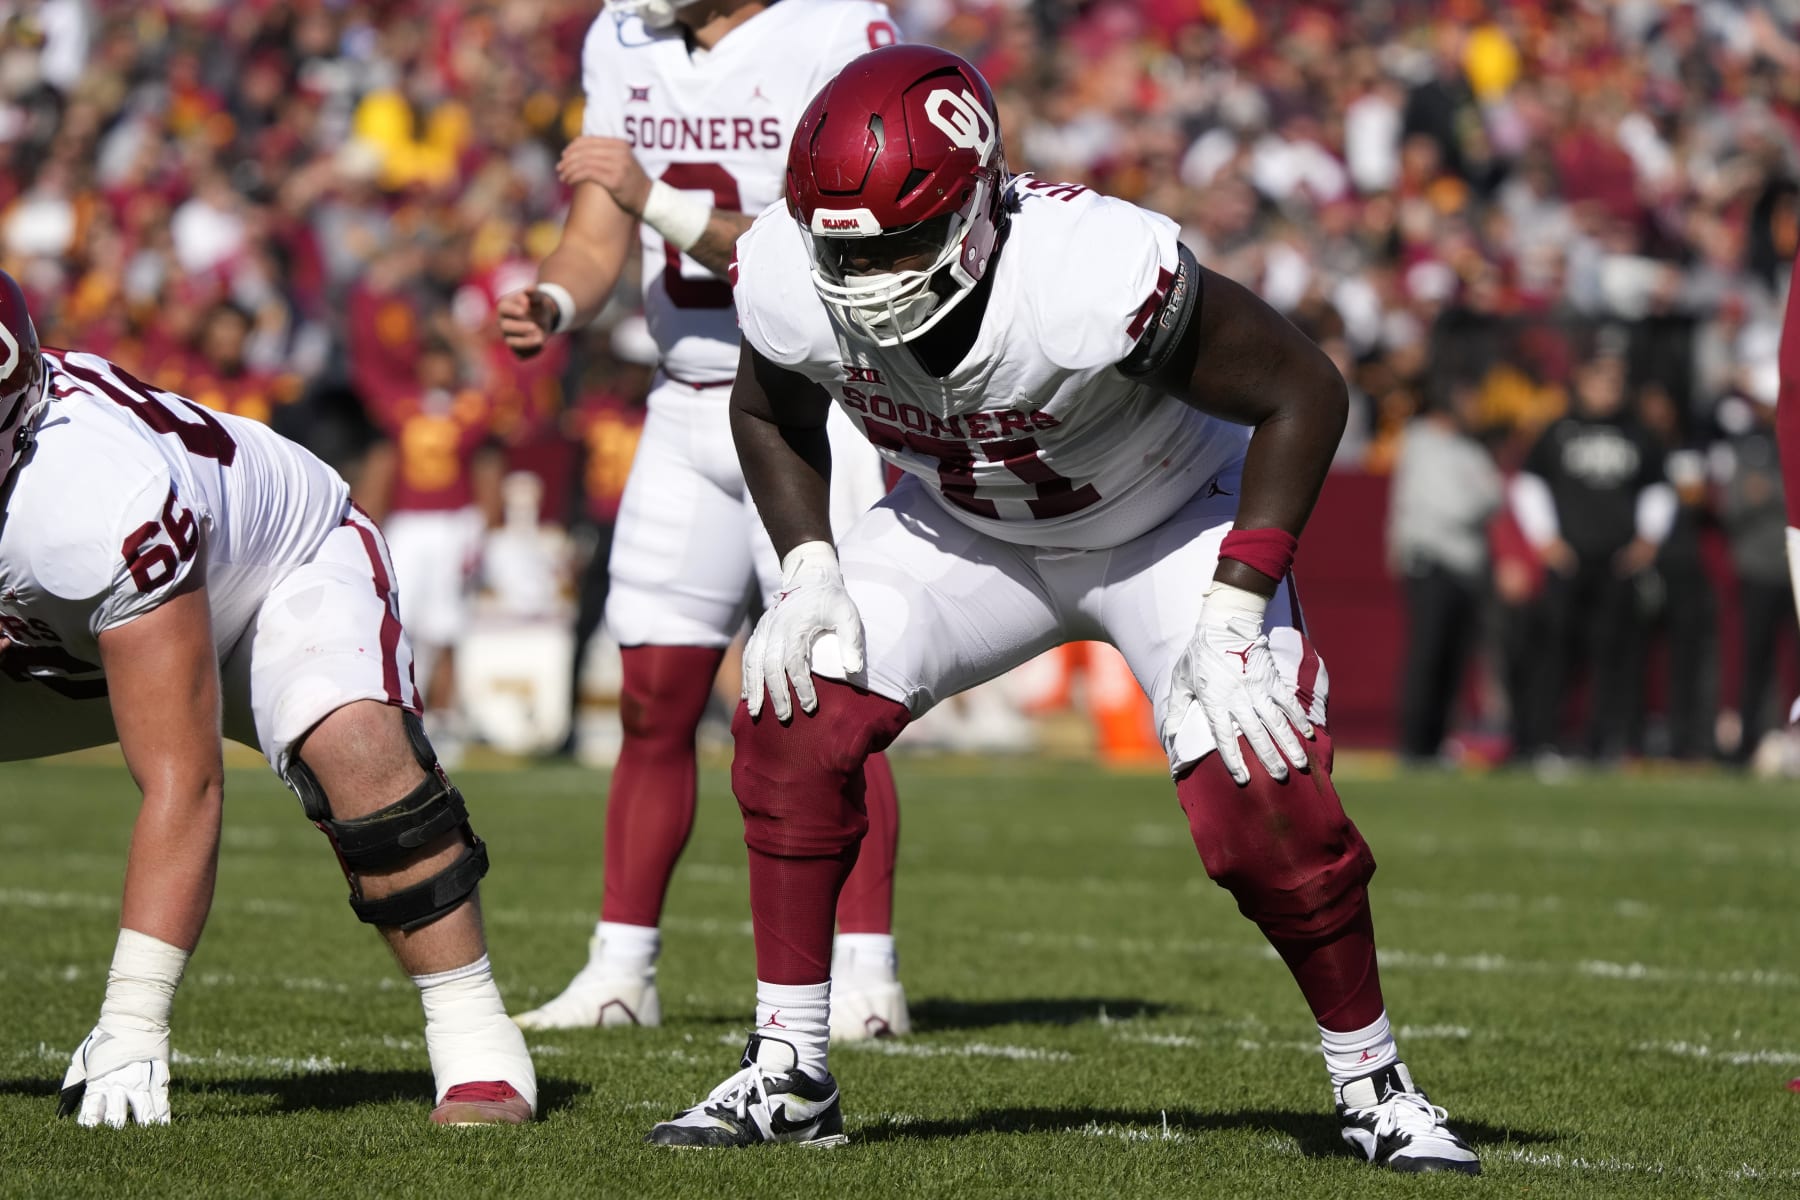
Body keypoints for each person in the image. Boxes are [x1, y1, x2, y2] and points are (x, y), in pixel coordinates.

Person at [647, 46, 1479, 1175]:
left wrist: (1239, 601)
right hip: (971, 526)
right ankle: (792, 1069)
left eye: (893, 242)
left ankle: (1373, 1080)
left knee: (1260, 785)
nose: (859, 272)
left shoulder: (1089, 267)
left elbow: (1305, 389)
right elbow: (769, 411)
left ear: (975, 208)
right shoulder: (790, 268)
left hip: (1171, 523)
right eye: (839, 242)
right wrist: (807, 565)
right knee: (792, 704)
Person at [0, 273, 535, 1127]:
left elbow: (187, 781)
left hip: (261, 584)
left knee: (358, 756)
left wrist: (132, 1020)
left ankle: (471, 1031)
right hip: (57, 637)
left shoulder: (90, 502)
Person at [498, 0, 909, 1039]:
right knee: (651, 699)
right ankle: (621, 971)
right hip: (683, 400)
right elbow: (597, 234)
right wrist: (552, 299)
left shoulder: (837, 29)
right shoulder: (620, 39)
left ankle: (864, 978)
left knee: (834, 702)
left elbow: (834, 239)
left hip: (813, 399)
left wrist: (657, 201)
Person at [1509, 340, 1674, 763]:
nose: (1607, 389)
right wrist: (1545, 539)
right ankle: (1545, 742)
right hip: (1569, 559)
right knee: (1556, 653)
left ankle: (1605, 743)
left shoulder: (1639, 433)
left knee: (1615, 655)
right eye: (1599, 379)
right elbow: (1528, 483)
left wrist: (1647, 541)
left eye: (1614, 381)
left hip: (1618, 562)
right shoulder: (1558, 429)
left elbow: (1659, 487)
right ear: (1581, 381)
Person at [357, 339, 503, 758]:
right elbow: (384, 466)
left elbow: (485, 467)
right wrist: (370, 521)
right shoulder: (401, 408)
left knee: (448, 625)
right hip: (409, 522)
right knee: (401, 621)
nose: (438, 372)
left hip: (452, 521)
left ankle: (444, 715)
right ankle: (404, 710)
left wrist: (483, 527)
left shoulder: (471, 409)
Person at [1386, 384, 1501, 762]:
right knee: (1428, 655)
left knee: (1454, 659)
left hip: (1465, 569)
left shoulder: (1469, 448)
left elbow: (1495, 495)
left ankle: (1435, 743)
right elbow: (1462, 505)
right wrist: (1476, 494)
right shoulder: (1420, 443)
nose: (1475, 406)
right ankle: (1414, 744)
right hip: (1430, 563)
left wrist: (1478, 494)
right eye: (1468, 398)